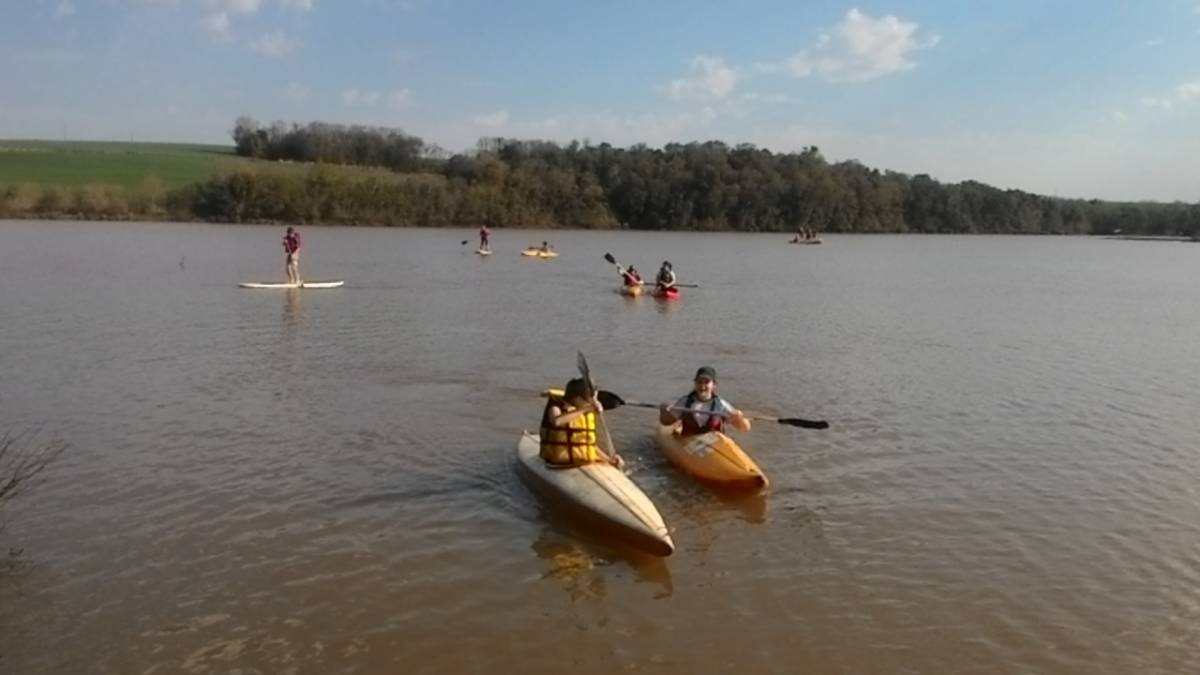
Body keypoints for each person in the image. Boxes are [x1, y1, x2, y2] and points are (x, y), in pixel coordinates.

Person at [541, 378, 624, 469]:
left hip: (584, 463)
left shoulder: (585, 412)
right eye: (591, 400)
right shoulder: (556, 406)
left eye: (596, 399)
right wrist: (586, 409)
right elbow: (556, 421)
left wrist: (609, 460)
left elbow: (589, 445)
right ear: (578, 399)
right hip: (558, 464)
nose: (595, 403)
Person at [659, 366, 751, 436]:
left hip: (714, 444)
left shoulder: (721, 404)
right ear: (695, 384)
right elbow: (666, 422)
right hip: (688, 440)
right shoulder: (684, 402)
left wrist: (739, 418)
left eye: (706, 382)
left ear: (714, 385)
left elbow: (745, 428)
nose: (702, 386)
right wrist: (664, 411)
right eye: (699, 382)